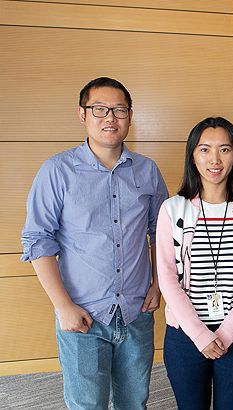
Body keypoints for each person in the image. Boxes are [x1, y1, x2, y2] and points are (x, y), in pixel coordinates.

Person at [20, 77, 168, 409]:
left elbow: (160, 233)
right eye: (99, 109)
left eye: (119, 110)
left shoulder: (147, 171)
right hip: (82, 315)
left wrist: (158, 285)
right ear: (82, 114)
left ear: (130, 116)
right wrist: (63, 306)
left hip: (135, 312)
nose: (110, 118)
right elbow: (38, 240)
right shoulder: (57, 171)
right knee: (87, 405)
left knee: (135, 403)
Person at [157, 116, 233, 410]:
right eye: (204, 149)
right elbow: (167, 278)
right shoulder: (172, 209)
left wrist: (225, 333)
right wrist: (200, 335)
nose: (215, 159)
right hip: (185, 336)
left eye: (224, 149)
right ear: (192, 156)